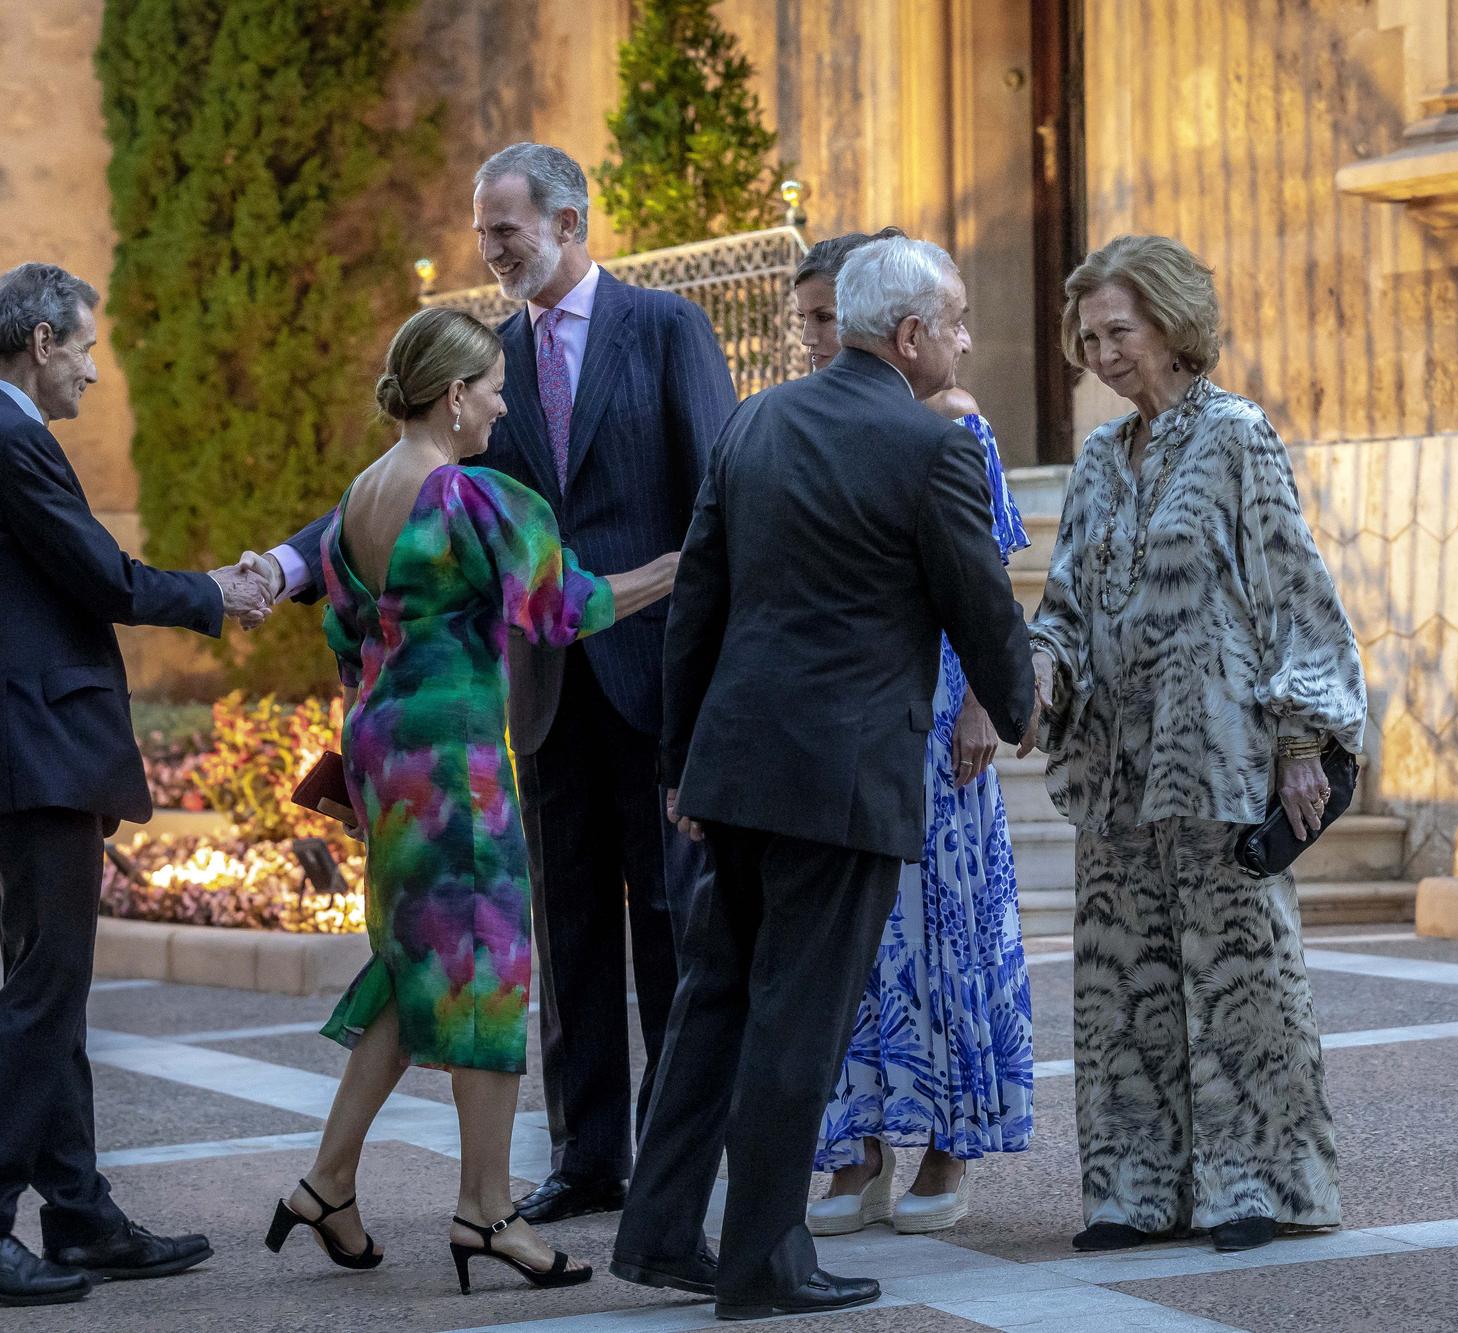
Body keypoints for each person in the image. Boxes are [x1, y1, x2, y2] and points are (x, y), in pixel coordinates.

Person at [258, 143, 737, 1225]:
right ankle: (585, 1158)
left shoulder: (663, 330)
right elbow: (398, 500)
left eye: (505, 227)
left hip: (656, 678)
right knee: (563, 937)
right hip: (539, 690)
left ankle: (675, 1153)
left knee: (670, 925)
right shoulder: (482, 368)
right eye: (481, 229)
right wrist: (285, 564)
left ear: (569, 218)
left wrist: (714, 648)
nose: (489, 247)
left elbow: (718, 494)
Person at [610, 236, 1042, 1321]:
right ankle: (763, 1260)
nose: (961, 340)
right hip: (844, 783)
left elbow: (697, 598)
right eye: (950, 320)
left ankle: (659, 1232)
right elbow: (977, 604)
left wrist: (680, 762)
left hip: (737, 768)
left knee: (712, 1003)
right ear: (907, 336)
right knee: (798, 1021)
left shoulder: (755, 420)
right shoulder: (926, 444)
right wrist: (1026, 706)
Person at [0, 263, 268, 1307]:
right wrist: (218, 592)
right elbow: (100, 576)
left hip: (8, 758)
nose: (94, 373)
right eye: (84, 349)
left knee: (46, 991)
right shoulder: (9, 441)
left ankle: (78, 1216)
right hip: (36, 761)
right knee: (42, 997)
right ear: (38, 342)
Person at [1030, 234, 1366, 1255]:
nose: (1100, 353)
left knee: (1240, 978)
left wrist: (1303, 737)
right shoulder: (1095, 459)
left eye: (1117, 332)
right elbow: (1063, 606)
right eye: (1085, 337)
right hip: (1115, 767)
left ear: (1172, 325)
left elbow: (1292, 588)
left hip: (1219, 754)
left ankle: (1258, 1183)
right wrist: (1038, 673)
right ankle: (1134, 1189)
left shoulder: (1235, 437)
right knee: (1117, 983)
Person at [788, 233, 1035, 1238]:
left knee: (944, 936)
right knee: (857, 938)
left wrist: (982, 700)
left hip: (939, 717)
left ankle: (946, 1141)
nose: (809, 337)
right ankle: (855, 1150)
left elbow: (990, 586)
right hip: (846, 715)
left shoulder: (955, 427)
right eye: (802, 319)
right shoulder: (808, 423)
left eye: (819, 317)